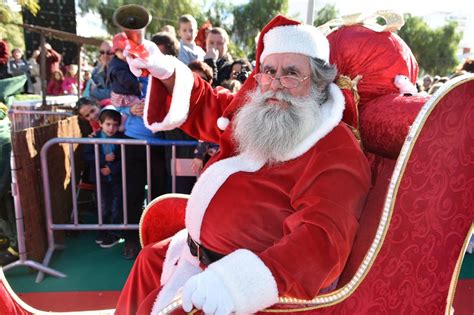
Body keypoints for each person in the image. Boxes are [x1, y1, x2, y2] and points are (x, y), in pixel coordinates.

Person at [116, 15, 371, 315]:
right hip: (192, 253)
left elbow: (322, 239)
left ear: (318, 82)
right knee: (149, 260)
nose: (276, 84)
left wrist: (238, 283)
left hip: (233, 282)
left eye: (291, 73)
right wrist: (164, 70)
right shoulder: (261, 113)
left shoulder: (333, 145)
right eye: (269, 71)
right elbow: (207, 104)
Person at [82, 106, 123, 248]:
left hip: (117, 179)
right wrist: (102, 159)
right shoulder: (93, 138)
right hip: (100, 179)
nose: (111, 128)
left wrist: (111, 168)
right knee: (102, 205)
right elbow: (87, 157)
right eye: (108, 124)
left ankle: (114, 233)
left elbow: (125, 160)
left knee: (116, 206)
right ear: (100, 124)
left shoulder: (122, 139)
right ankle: (103, 230)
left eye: (115, 125)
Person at [108, 32, 142, 131]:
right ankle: (123, 125)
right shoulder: (118, 67)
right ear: (115, 51)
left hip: (122, 93)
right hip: (123, 95)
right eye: (121, 51)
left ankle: (123, 124)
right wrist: (138, 85)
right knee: (140, 104)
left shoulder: (121, 63)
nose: (125, 53)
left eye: (127, 50)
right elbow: (127, 81)